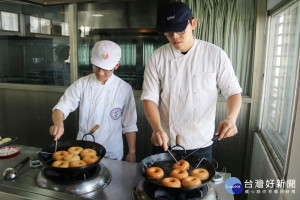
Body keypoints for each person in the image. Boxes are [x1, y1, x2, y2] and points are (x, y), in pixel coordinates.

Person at [141, 2, 242, 163]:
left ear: (193, 23)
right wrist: (157, 129)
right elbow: (149, 98)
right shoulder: (157, 57)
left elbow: (233, 92)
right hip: (165, 141)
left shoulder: (215, 55)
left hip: (201, 143)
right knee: (161, 186)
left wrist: (231, 118)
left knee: (198, 187)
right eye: (169, 32)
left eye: (181, 31)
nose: (174, 37)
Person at [49, 40, 138, 162]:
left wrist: (132, 152)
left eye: (106, 69)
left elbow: (130, 123)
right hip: (84, 149)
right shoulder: (82, 84)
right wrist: (58, 123)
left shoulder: (124, 89)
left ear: (117, 65)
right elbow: (61, 108)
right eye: (97, 67)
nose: (100, 73)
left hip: (112, 151)